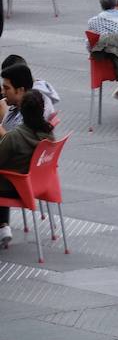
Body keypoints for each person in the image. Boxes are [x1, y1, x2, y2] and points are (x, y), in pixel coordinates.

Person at [0, 90, 55, 248]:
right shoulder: (48, 136)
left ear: (21, 111)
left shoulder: (14, 137)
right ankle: (3, 226)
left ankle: (3, 226)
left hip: (13, 188)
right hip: (36, 185)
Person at [0, 59, 59, 134]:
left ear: (20, 90)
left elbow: (19, 140)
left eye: (6, 88)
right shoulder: (18, 104)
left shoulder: (33, 108)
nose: (2, 92)